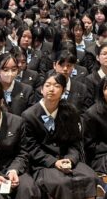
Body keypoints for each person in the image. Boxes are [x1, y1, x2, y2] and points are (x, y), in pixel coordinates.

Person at [21, 71, 98, 199]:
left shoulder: (70, 111)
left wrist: (70, 159)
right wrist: (54, 162)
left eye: (57, 86)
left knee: (90, 178)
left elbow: (75, 142)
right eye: (47, 85)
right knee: (62, 183)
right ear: (41, 89)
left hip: (67, 160)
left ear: (63, 91)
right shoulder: (29, 115)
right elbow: (31, 148)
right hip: (44, 164)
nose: (51, 89)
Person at [0, 83, 41, 198]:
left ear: (1, 102)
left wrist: (14, 170)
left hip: (12, 171)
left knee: (27, 189)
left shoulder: (17, 122)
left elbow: (23, 152)